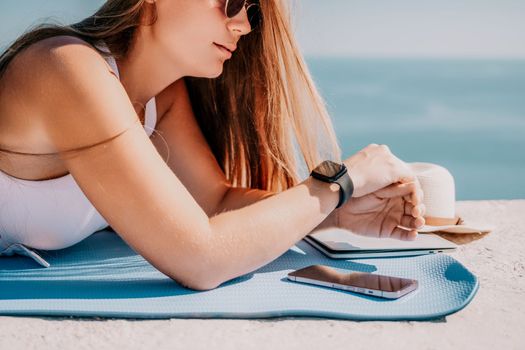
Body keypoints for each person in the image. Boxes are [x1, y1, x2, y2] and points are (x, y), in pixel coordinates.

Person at [0, 0, 425, 291]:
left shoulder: (160, 98)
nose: (243, 23)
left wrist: (332, 213)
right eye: (232, 0)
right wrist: (337, 182)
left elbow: (215, 200)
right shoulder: (64, 68)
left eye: (252, 8)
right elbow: (201, 258)